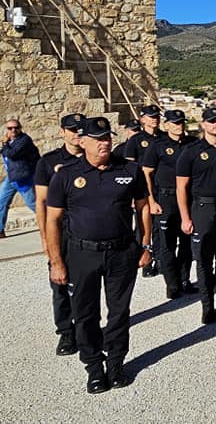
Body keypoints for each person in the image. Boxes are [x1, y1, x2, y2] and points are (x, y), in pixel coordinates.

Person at [45, 117, 152, 393]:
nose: (105, 143)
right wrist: (56, 261)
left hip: (121, 252)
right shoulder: (66, 175)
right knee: (85, 314)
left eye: (107, 137)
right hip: (82, 253)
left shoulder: (130, 170)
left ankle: (116, 364)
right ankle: (94, 367)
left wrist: (145, 244)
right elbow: (52, 219)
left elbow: (142, 207)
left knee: (119, 313)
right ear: (83, 142)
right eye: (98, 139)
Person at [176, 107, 216, 324]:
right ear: (203, 124)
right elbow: (181, 187)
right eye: (211, 121)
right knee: (203, 261)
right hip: (202, 209)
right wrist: (185, 217)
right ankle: (207, 306)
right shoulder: (191, 151)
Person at [34, 113, 85, 355]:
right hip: (62, 231)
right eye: (72, 129)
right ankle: (66, 332)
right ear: (62, 131)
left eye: (81, 129)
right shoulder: (48, 162)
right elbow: (41, 202)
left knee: (88, 284)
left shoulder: (94, 158)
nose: (77, 133)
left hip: (88, 231)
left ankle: (87, 328)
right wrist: (45, 238)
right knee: (61, 283)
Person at [142, 110, 198, 299]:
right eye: (174, 123)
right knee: (167, 244)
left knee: (187, 242)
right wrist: (151, 200)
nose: (178, 126)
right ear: (166, 125)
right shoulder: (158, 146)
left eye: (181, 122)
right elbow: (146, 174)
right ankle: (172, 283)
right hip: (165, 199)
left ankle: (184, 279)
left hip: (189, 199)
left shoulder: (192, 144)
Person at [123, 104, 164, 278]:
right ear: (143, 119)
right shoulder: (136, 140)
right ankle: (145, 261)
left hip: (160, 187)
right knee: (142, 226)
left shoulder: (164, 138)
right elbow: (128, 167)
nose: (154, 119)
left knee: (160, 228)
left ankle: (162, 261)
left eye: (156, 116)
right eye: (150, 116)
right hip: (141, 188)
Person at [0, 117, 40, 237]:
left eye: (16, 128)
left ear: (20, 128)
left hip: (23, 178)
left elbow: (12, 154)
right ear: (6, 129)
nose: (13, 130)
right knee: (1, 202)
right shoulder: (9, 141)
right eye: (10, 128)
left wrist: (4, 144)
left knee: (32, 203)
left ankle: (53, 221)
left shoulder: (24, 140)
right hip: (12, 177)